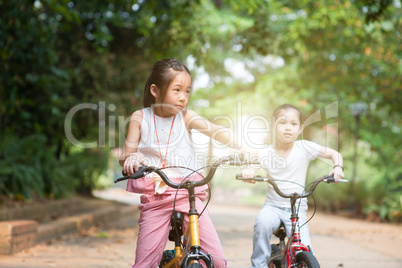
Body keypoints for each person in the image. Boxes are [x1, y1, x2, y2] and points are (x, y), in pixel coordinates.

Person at [119, 58, 237, 268]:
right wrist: (133, 157)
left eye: (187, 91)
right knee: (144, 263)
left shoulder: (186, 118)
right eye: (177, 90)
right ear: (155, 90)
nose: (183, 98)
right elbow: (126, 154)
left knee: (217, 262)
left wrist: (245, 147)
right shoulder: (140, 117)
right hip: (157, 196)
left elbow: (216, 131)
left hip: (188, 194)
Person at [241, 104, 344, 268]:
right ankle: (258, 265)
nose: (288, 128)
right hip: (272, 207)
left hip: (297, 210)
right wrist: (249, 172)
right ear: (274, 126)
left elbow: (334, 154)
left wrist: (338, 167)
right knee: (262, 223)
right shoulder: (266, 152)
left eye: (293, 124)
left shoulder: (304, 147)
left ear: (300, 128)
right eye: (282, 123)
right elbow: (252, 166)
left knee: (304, 250)